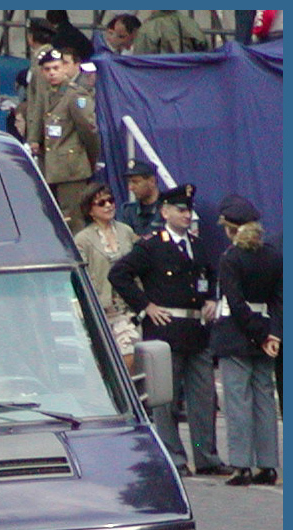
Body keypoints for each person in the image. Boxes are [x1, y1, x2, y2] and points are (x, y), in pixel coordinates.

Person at [109, 183, 232, 477]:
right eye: (180, 210)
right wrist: (144, 306)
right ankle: (174, 456)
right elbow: (119, 274)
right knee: (165, 400)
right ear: (164, 212)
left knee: (202, 400)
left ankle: (206, 455)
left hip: (197, 331)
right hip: (165, 332)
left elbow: (212, 274)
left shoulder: (197, 245)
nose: (187, 215)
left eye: (188, 210)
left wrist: (213, 299)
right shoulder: (152, 245)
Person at [211, 195, 282, 486]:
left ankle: (241, 464)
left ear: (231, 229)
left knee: (238, 401)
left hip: (238, 334)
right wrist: (272, 333)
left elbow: (236, 303)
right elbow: (279, 300)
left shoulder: (230, 259)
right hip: (266, 333)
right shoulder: (273, 255)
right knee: (264, 399)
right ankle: (268, 464)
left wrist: (259, 332)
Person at [73, 182, 140, 371]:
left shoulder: (125, 231)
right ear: (90, 211)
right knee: (100, 362)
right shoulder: (83, 239)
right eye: (101, 203)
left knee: (129, 353)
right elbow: (79, 277)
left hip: (125, 308)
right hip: (99, 309)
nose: (108, 205)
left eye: (110, 200)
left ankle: (128, 394)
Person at [33, 47, 98, 233]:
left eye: (56, 68)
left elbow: (89, 131)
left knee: (73, 219)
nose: (52, 73)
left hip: (71, 167)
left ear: (64, 68)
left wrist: (89, 159)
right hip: (52, 165)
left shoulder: (75, 95)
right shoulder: (47, 93)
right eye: (47, 69)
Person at [23, 16, 56, 168]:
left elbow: (40, 100)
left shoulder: (43, 62)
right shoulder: (40, 58)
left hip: (43, 130)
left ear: (31, 37)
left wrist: (34, 137)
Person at [118, 159, 164, 236]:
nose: (130, 187)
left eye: (135, 182)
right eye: (129, 182)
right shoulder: (128, 212)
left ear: (152, 181)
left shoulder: (168, 209)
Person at [133, 10, 209, 54]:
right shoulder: (192, 25)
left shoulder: (147, 30)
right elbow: (206, 56)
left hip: (158, 79)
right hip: (190, 78)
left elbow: (139, 66)